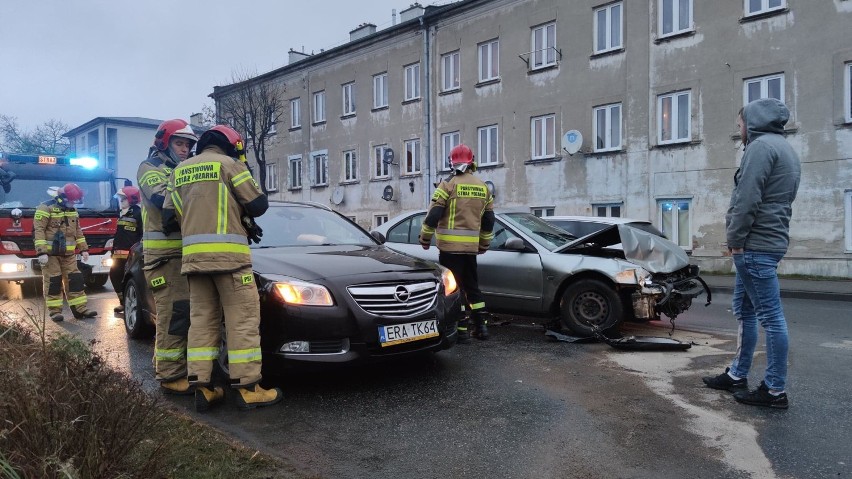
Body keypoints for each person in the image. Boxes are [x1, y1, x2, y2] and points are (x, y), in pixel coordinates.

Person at [162, 124, 282, 412]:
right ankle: (249, 387)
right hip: (231, 261)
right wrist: (242, 165)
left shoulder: (179, 171)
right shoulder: (229, 165)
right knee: (242, 321)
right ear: (232, 146)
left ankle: (203, 387)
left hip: (194, 263)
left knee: (202, 322)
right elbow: (259, 205)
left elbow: (168, 219)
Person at [703, 98, 801, 409]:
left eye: (740, 125)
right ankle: (737, 374)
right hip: (766, 243)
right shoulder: (785, 148)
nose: (739, 130)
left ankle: (774, 391)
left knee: (770, 317)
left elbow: (747, 198)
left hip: (754, 246)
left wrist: (735, 240)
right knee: (745, 310)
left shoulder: (760, 148)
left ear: (752, 123)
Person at [137, 119, 198, 395]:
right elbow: (162, 199)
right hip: (164, 259)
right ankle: (171, 375)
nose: (185, 150)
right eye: (179, 143)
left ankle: (181, 367)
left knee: (185, 313)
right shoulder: (150, 168)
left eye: (188, 145)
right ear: (164, 142)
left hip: (182, 256)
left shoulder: (183, 171)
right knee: (174, 314)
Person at [418, 144, 495, 343]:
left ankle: (460, 330)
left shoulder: (448, 184)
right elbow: (488, 221)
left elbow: (434, 214)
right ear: (472, 162)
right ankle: (481, 328)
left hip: (449, 250)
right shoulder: (483, 187)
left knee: (454, 289)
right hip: (470, 249)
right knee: (472, 287)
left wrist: (425, 238)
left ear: (451, 162)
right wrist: (483, 245)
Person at [33, 183, 98, 322]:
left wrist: (84, 249)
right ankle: (55, 311)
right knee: (53, 282)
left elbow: (78, 231)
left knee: (75, 281)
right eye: (72, 200)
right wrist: (41, 252)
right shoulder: (45, 208)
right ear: (61, 198)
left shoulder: (72, 210)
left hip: (69, 255)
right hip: (51, 255)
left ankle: (80, 308)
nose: (74, 203)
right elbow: (38, 231)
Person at [110, 186, 143, 313]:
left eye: (123, 199)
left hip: (131, 255)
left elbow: (142, 234)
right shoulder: (123, 214)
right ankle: (123, 302)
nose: (121, 201)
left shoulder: (138, 214)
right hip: (118, 255)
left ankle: (131, 304)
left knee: (129, 280)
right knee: (114, 275)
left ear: (131, 199)